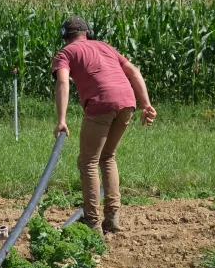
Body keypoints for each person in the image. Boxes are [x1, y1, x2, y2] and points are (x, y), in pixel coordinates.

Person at [52, 16, 156, 233]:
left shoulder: (66, 53)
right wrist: (146, 104)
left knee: (88, 162)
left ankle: (92, 221)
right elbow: (134, 71)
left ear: (65, 36)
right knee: (107, 157)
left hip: (102, 103)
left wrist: (61, 120)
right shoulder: (105, 47)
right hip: (127, 102)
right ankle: (112, 217)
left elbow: (62, 81)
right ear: (87, 33)